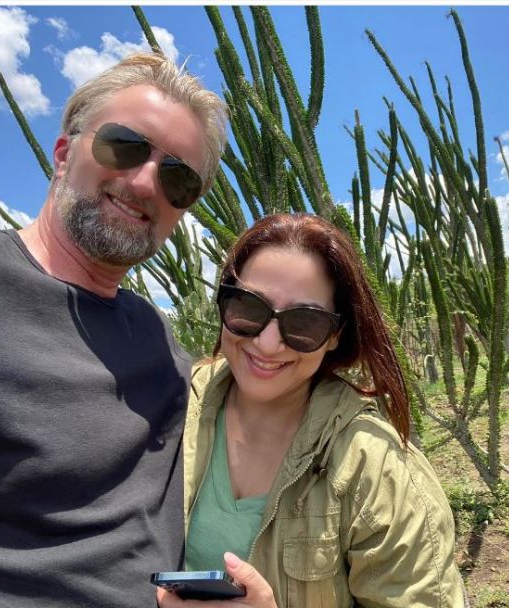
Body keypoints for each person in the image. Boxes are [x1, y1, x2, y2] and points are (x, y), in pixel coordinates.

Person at [0, 52, 274, 608]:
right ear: (63, 153)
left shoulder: (163, 344)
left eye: (178, 178)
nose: (145, 182)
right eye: (124, 145)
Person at [182, 213, 467, 607]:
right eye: (248, 306)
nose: (267, 343)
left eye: (304, 323)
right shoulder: (176, 404)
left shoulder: (375, 469)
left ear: (334, 336)